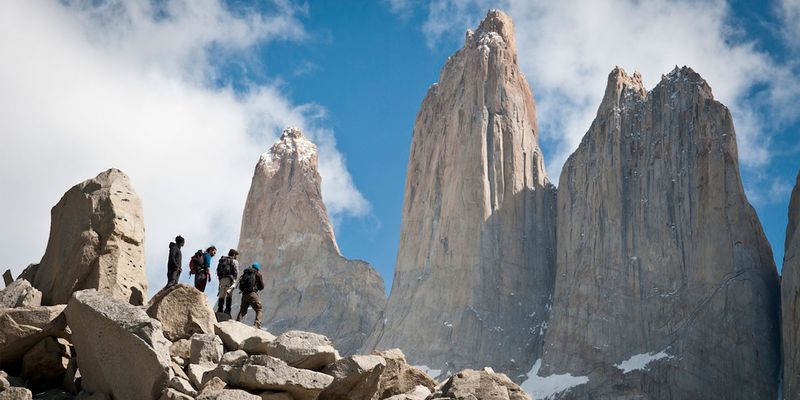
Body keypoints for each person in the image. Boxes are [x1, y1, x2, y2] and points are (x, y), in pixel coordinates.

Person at [236, 262, 264, 328]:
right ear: (258, 268)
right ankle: (257, 324)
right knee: (259, 309)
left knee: (242, 311)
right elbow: (262, 287)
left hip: (244, 294)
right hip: (252, 294)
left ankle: (237, 322)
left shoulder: (246, 273)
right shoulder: (258, 274)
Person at [216, 249, 239, 315]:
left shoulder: (223, 260)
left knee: (221, 295)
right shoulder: (234, 261)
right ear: (234, 254)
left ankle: (220, 310)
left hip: (222, 279)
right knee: (229, 295)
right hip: (230, 279)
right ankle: (227, 311)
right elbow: (236, 271)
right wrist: (234, 279)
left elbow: (218, 271)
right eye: (236, 255)